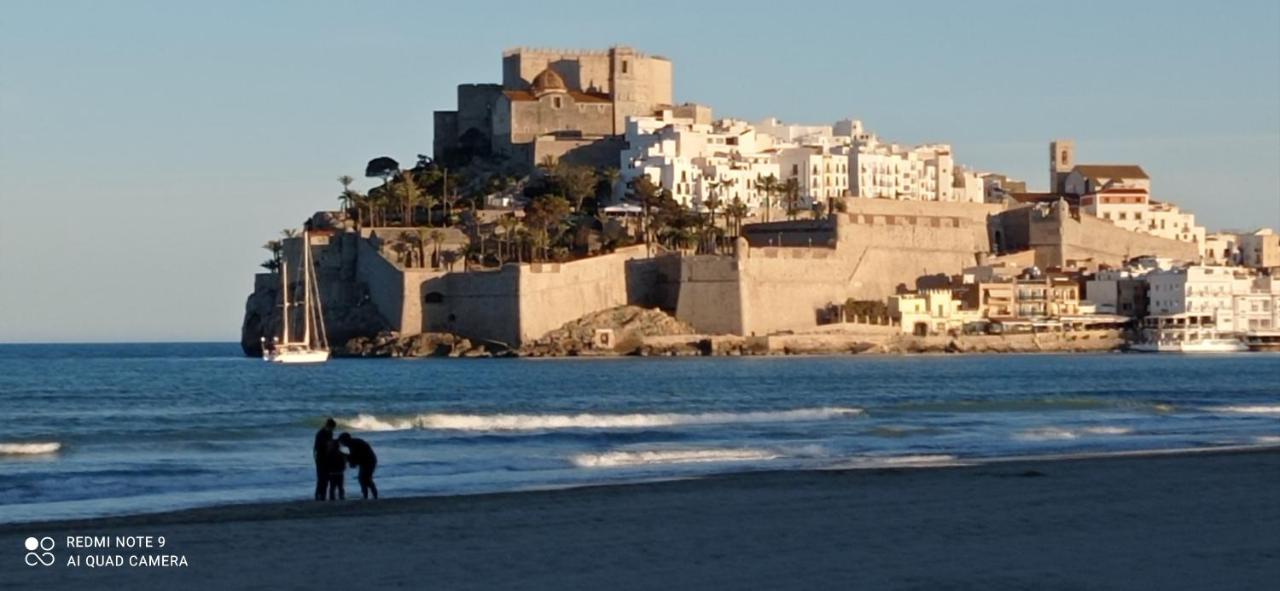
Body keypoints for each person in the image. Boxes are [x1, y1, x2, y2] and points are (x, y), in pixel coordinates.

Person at [338, 432, 378, 500]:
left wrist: (343, 455)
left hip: (369, 461)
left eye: (342, 441)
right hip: (366, 461)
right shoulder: (353, 443)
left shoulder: (354, 444)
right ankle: (368, 495)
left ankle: (369, 495)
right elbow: (354, 458)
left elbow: (355, 457)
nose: (342, 444)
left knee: (365, 479)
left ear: (346, 440)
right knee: (364, 479)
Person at [312, 418, 336, 501]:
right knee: (321, 477)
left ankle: (323, 495)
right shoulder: (321, 434)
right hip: (320, 457)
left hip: (326, 457)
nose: (332, 430)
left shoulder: (329, 433)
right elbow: (319, 447)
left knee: (326, 477)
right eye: (332, 428)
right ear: (328, 426)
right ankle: (318, 495)